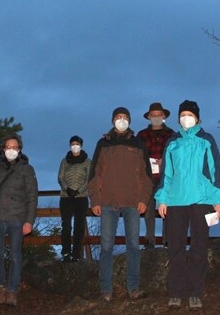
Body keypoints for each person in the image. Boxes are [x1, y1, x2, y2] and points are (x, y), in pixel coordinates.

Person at [155, 100, 220, 310]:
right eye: (183, 114)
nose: (186, 118)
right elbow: (166, 173)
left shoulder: (206, 140)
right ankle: (176, 292)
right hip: (176, 201)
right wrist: (162, 198)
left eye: (190, 114)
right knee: (175, 248)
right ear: (178, 118)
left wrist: (218, 199)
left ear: (197, 118)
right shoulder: (172, 142)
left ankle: (195, 292)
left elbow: (216, 171)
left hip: (201, 200)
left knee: (199, 247)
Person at [87, 107, 152, 302]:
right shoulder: (103, 143)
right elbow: (94, 174)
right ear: (112, 120)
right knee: (106, 247)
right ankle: (106, 290)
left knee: (133, 246)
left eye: (124, 117)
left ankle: (134, 288)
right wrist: (95, 200)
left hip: (133, 203)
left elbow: (146, 174)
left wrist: (144, 199)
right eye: (118, 117)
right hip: (107, 202)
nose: (121, 120)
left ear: (130, 120)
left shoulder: (137, 143)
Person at [0, 134, 38, 308]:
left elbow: (32, 197)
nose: (11, 150)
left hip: (17, 217)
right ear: (3, 149)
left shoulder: (27, 169)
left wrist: (29, 221)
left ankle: (12, 290)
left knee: (15, 254)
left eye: (15, 147)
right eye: (8, 147)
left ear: (19, 149)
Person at [136, 102, 175, 249]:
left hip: (166, 177)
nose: (157, 117)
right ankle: (149, 240)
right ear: (149, 117)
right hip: (147, 177)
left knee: (167, 209)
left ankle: (168, 240)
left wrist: (164, 162)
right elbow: (136, 155)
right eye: (154, 115)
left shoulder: (172, 134)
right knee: (148, 210)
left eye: (159, 115)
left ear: (164, 116)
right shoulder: (141, 135)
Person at [57, 135, 91, 262]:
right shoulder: (64, 161)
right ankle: (66, 252)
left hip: (81, 197)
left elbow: (89, 179)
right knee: (66, 225)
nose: (75, 146)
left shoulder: (88, 161)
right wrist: (67, 189)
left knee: (79, 225)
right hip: (66, 197)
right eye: (73, 144)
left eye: (77, 144)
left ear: (81, 145)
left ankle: (77, 252)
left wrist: (79, 191)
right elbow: (60, 177)